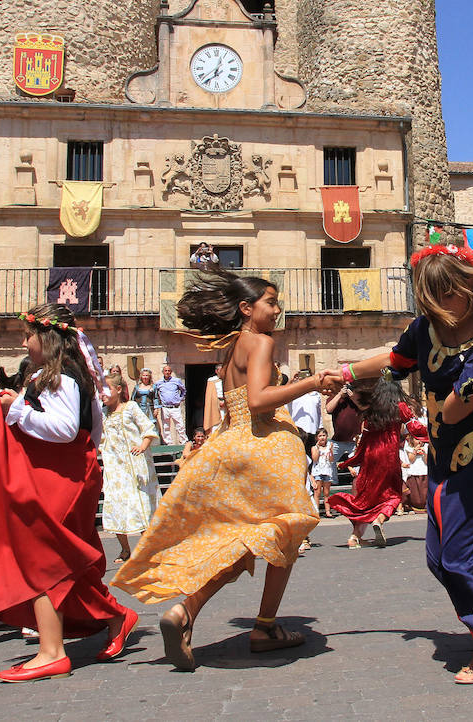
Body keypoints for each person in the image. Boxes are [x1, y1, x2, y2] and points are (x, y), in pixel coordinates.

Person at [112, 273, 330, 672]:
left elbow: (233, 406)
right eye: (270, 302)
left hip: (230, 446)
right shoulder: (261, 343)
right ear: (247, 308)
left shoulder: (230, 348)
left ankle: (185, 612)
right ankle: (265, 626)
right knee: (285, 532)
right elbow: (260, 401)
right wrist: (312, 382)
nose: (278, 309)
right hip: (265, 446)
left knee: (239, 542)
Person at [338, 241, 473, 685]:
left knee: (460, 555)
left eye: (450, 291)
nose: (443, 302)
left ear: (467, 285)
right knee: (438, 557)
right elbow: (394, 360)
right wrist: (345, 374)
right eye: (433, 294)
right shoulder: (424, 329)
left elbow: (456, 411)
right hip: (444, 459)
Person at [0, 304, 137, 681]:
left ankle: (52, 652)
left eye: (28, 336)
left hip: (60, 478)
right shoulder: (65, 376)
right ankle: (115, 617)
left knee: (43, 556)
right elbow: (92, 430)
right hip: (64, 474)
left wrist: (15, 407)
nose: (24, 342)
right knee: (60, 557)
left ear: (46, 337)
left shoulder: (62, 377)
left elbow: (66, 429)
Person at [327, 376, 409, 548]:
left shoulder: (371, 409)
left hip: (370, 457)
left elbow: (364, 437)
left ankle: (354, 537)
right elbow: (415, 427)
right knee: (393, 494)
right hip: (388, 457)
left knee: (365, 498)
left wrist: (354, 458)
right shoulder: (399, 407)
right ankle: (379, 519)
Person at [99, 375, 160, 563]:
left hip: (135, 466)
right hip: (115, 469)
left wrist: (143, 445)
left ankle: (147, 548)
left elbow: (148, 429)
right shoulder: (103, 414)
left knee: (140, 506)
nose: (103, 393)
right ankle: (125, 550)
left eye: (107, 388)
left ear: (118, 389)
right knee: (116, 504)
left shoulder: (131, 407)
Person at [326, 382, 366, 473]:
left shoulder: (357, 397)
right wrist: (340, 394)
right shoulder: (335, 397)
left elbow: (364, 408)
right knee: (328, 462)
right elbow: (328, 409)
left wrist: (353, 397)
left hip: (355, 441)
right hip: (338, 440)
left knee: (358, 464)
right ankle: (331, 481)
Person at [288, 370, 323, 454]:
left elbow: (319, 413)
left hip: (313, 431)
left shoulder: (316, 395)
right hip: (298, 431)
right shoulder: (294, 393)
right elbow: (283, 395)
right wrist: (291, 381)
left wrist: (320, 428)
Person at [154, 364, 187, 447]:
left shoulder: (176, 381)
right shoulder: (158, 383)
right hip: (165, 407)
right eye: (166, 371)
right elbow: (155, 394)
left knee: (180, 425)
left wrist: (180, 399)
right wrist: (157, 405)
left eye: (169, 371)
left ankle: (183, 441)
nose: (167, 372)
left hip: (175, 407)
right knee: (166, 426)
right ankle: (169, 443)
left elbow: (183, 390)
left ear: (171, 372)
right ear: (163, 372)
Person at [400, 428, 429, 513]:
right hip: (414, 471)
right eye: (417, 439)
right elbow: (411, 459)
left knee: (424, 491)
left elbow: (427, 461)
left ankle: (425, 507)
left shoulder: (426, 446)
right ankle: (413, 506)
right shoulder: (409, 446)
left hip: (424, 471)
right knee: (415, 492)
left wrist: (424, 454)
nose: (419, 441)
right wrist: (415, 451)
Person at [310, 428, 337, 515]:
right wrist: (317, 448)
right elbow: (315, 458)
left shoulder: (329, 446)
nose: (322, 438)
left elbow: (331, 459)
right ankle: (316, 511)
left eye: (324, 435)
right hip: (318, 472)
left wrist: (330, 451)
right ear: (317, 437)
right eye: (320, 436)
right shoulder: (314, 448)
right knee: (317, 493)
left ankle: (328, 511)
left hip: (327, 471)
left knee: (326, 493)